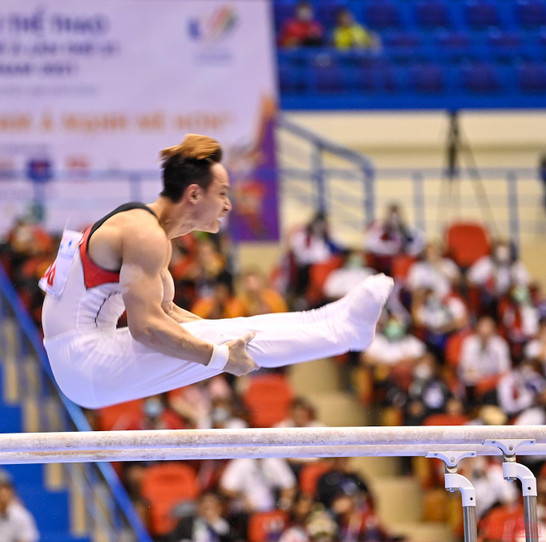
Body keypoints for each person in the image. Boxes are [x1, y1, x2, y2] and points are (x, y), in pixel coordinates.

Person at [40, 134, 394, 409]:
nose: (228, 204)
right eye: (222, 193)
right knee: (233, 339)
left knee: (234, 332)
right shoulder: (145, 235)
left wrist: (219, 342)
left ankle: (332, 321)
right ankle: (344, 330)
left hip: (82, 361)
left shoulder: (147, 229)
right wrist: (220, 357)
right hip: (84, 362)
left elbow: (166, 315)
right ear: (194, 194)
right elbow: (146, 328)